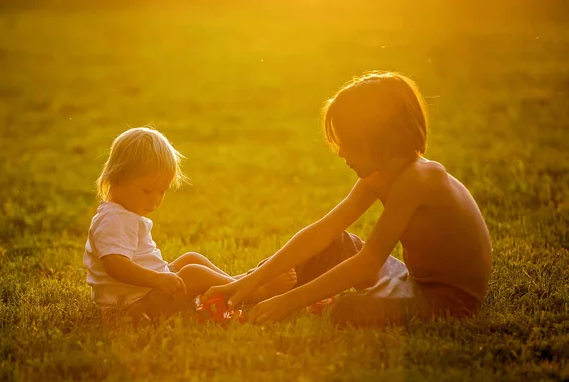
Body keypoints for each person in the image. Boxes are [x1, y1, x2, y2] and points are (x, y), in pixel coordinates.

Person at [204, 71, 492, 327]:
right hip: (410, 279)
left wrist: (290, 302)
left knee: (348, 310)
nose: (342, 154)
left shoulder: (418, 179)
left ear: (383, 139)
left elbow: (368, 263)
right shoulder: (380, 175)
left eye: (350, 145)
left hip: (446, 302)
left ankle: (280, 298)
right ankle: (250, 289)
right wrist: (250, 279)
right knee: (336, 243)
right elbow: (324, 231)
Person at [83, 127, 296, 321]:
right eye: (147, 191)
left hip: (143, 293)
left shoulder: (121, 214)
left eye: (162, 192)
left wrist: (160, 276)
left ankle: (239, 282)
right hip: (134, 305)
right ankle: (254, 292)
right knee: (193, 273)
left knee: (190, 259)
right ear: (117, 178)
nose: (155, 201)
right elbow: (115, 264)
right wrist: (157, 279)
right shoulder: (114, 220)